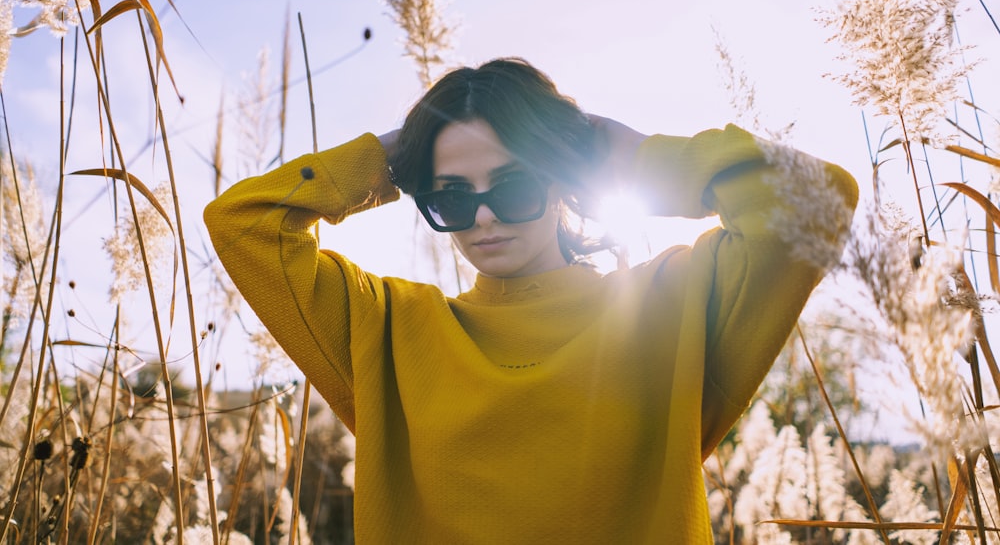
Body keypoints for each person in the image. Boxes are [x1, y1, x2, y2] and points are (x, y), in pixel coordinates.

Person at [204, 57, 858, 543]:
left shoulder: (671, 308)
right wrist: (400, 149)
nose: (483, 216)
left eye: (513, 185)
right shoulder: (387, 331)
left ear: (562, 179)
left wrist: (606, 146)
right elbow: (246, 224)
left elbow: (814, 201)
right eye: (452, 196)